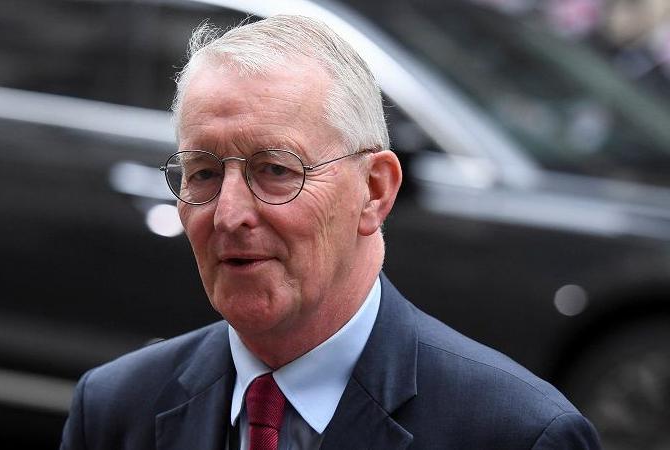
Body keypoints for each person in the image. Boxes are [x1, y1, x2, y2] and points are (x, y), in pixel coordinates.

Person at [60, 15, 601, 450]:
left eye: (274, 170)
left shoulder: (518, 434)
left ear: (374, 189)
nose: (228, 215)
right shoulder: (114, 409)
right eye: (202, 173)